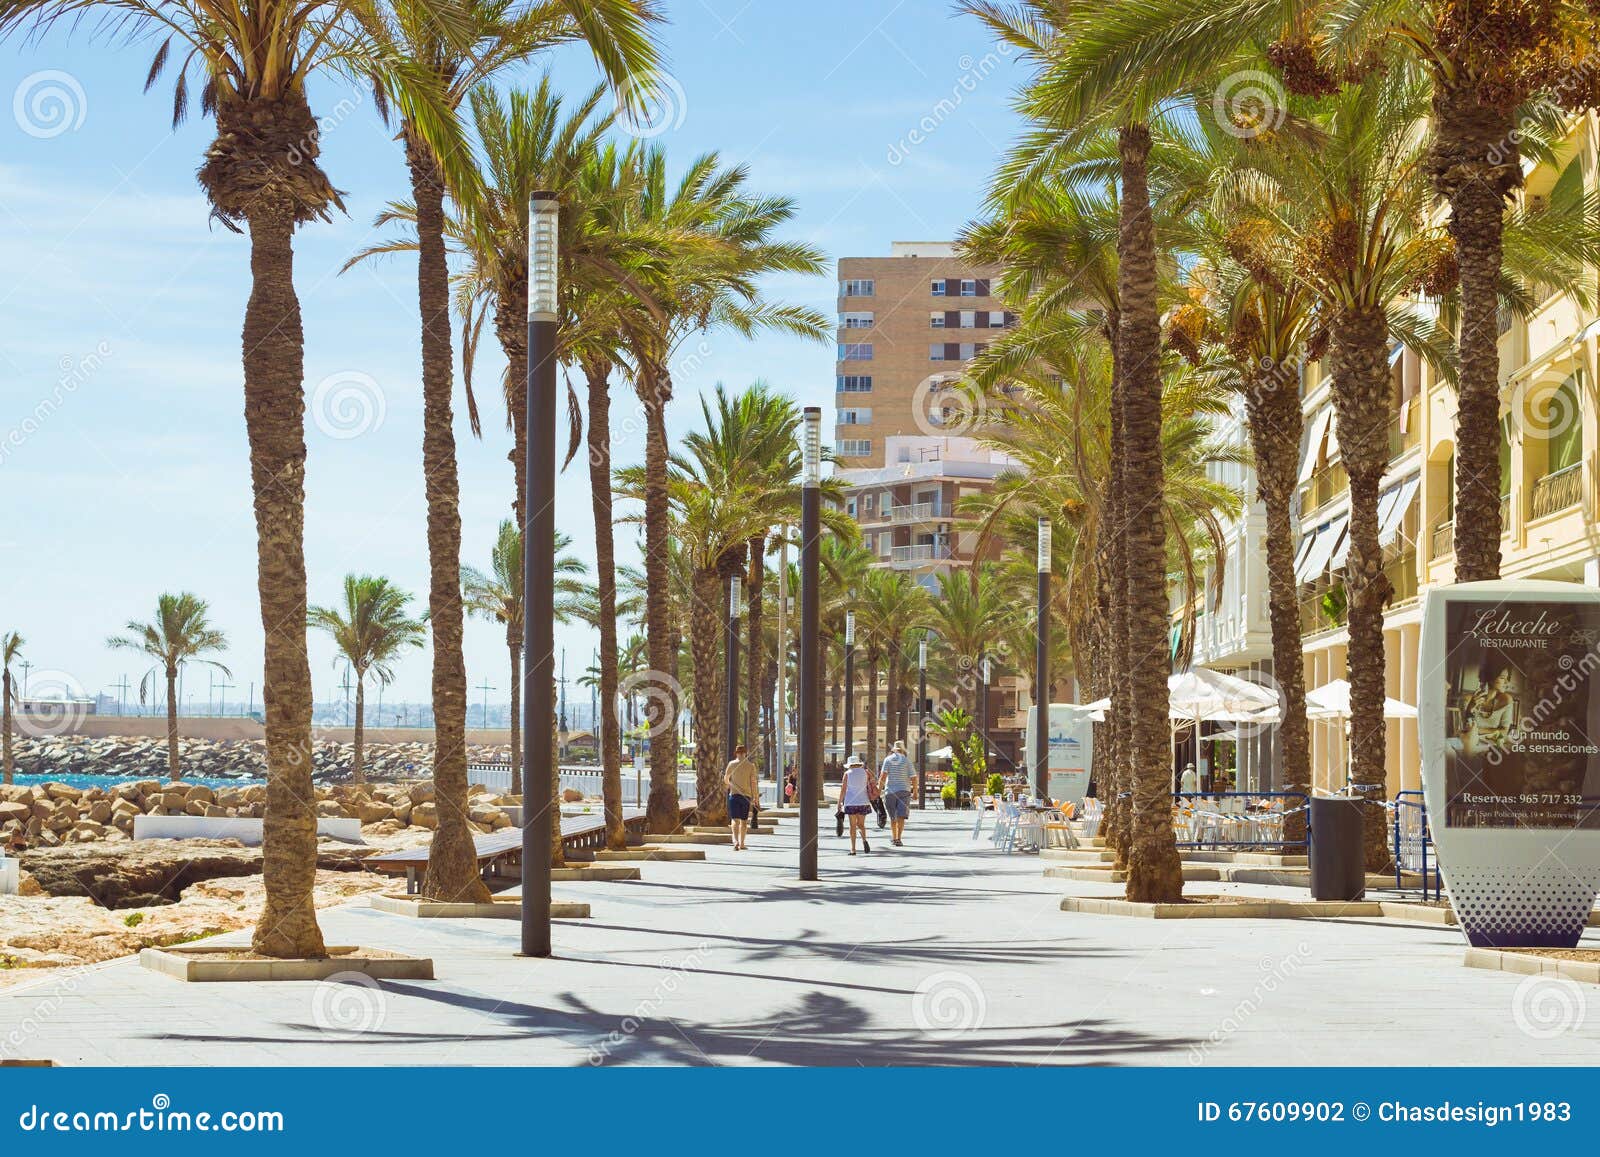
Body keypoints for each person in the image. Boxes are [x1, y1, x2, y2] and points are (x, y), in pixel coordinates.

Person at [723, 743, 760, 851]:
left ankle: (735, 841)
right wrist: (755, 798)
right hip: (746, 797)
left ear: (736, 753)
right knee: (744, 821)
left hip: (734, 795)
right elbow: (753, 783)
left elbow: (726, 779)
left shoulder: (731, 764)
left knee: (735, 820)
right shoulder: (750, 766)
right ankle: (742, 843)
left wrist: (730, 784)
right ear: (745, 753)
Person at [880, 739, 915, 846]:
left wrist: (878, 789)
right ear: (902, 750)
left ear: (894, 750)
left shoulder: (888, 760)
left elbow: (883, 776)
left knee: (893, 817)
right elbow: (914, 777)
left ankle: (894, 837)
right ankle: (898, 838)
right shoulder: (907, 761)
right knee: (901, 816)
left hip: (890, 792)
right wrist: (916, 791)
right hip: (904, 791)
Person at [839, 752, 872, 855]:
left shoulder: (847, 774)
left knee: (852, 826)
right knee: (861, 825)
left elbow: (843, 789)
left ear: (850, 765)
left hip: (850, 802)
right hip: (863, 801)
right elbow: (871, 785)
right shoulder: (866, 772)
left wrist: (839, 802)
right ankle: (864, 840)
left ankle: (853, 849)